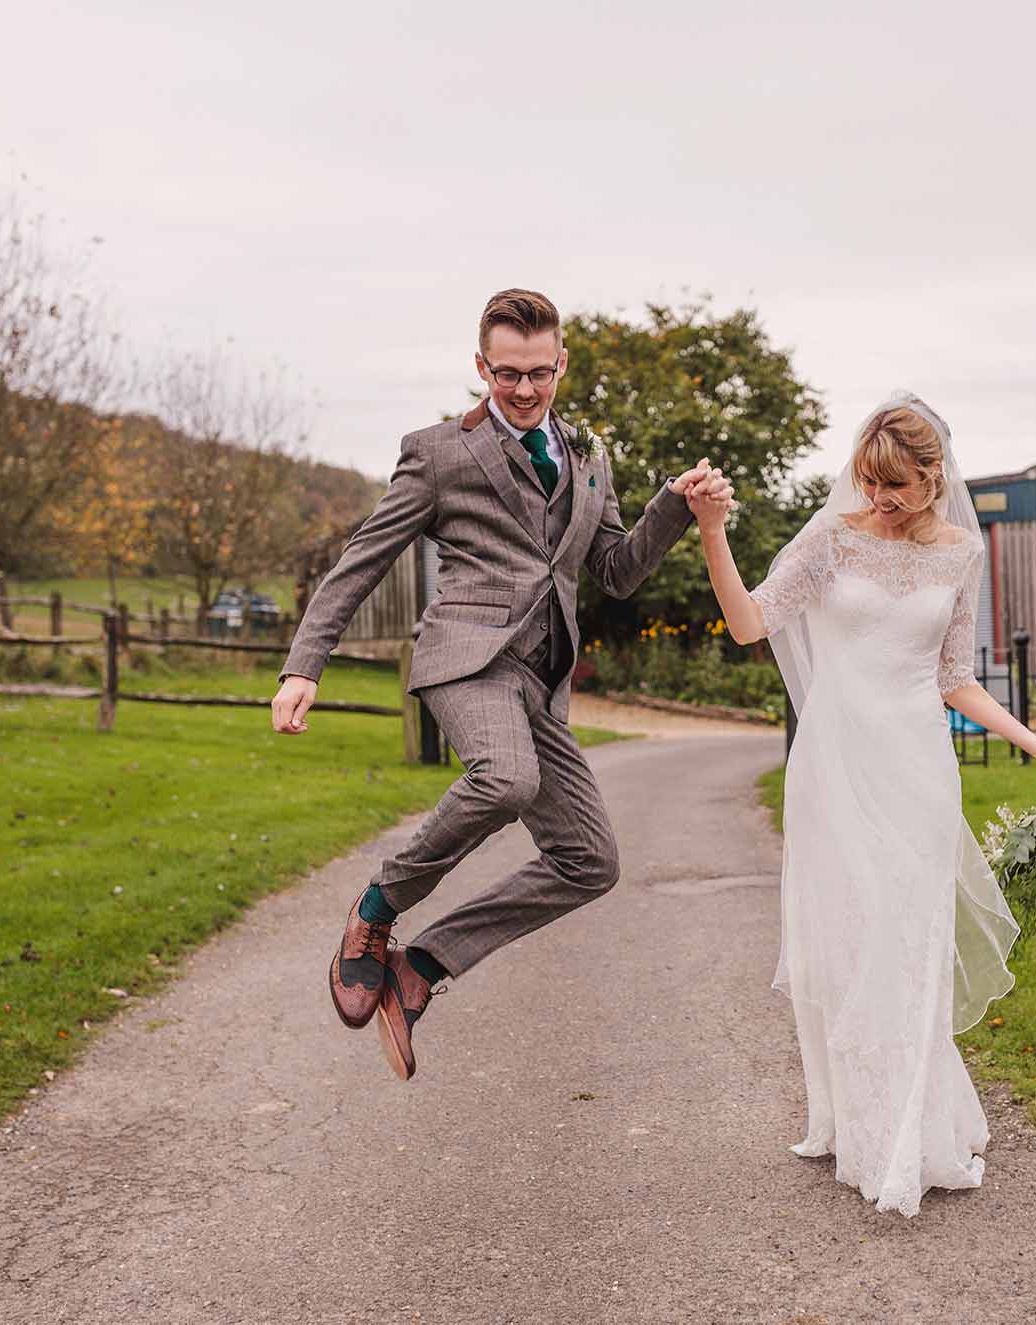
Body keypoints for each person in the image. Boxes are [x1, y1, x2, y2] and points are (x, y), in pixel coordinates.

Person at [271, 288, 730, 1081]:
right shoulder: (439, 452)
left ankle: (421, 968)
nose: (524, 389)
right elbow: (361, 562)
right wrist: (302, 665)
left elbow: (616, 572)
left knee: (590, 860)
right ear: (480, 366)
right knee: (505, 778)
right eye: (507, 372)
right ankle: (376, 909)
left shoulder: (590, 457)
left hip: (540, 679)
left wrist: (676, 506)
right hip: (466, 658)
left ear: (561, 364)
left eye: (539, 373)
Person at [687, 391, 1036, 1216]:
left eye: (897, 484)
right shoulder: (830, 539)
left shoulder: (960, 554)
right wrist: (714, 534)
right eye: (869, 480)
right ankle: (859, 1120)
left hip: (919, 773)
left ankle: (907, 1131)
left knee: (911, 940)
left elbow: (952, 677)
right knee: (853, 939)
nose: (879, 498)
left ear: (935, 476)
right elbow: (751, 624)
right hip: (835, 770)